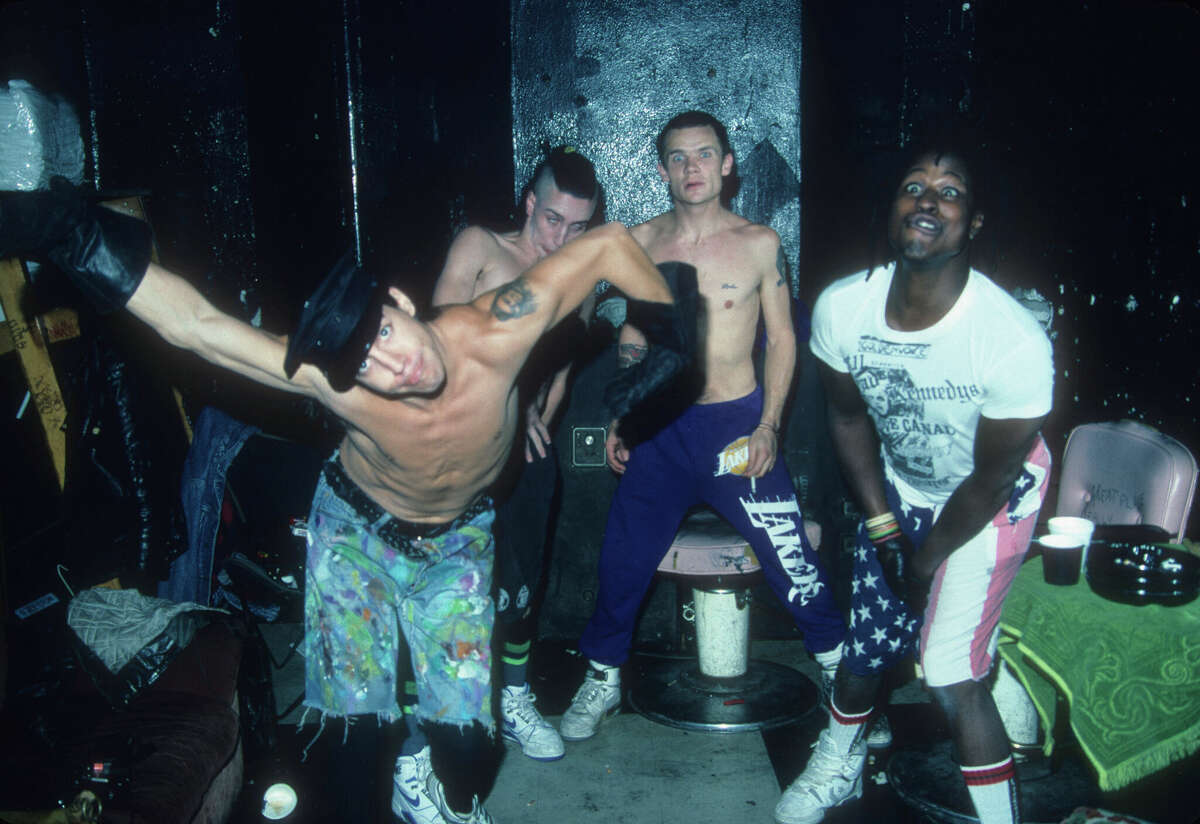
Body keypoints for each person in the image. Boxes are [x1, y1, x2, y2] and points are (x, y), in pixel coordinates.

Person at [0, 180, 688, 824]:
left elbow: (609, 245)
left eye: (386, 334)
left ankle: (429, 785)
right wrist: (77, 234)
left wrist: (669, 332)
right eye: (365, 366)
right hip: (359, 531)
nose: (397, 368)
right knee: (357, 728)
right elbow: (198, 326)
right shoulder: (333, 385)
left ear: (401, 303)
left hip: (458, 535)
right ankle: (390, 779)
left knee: (466, 732)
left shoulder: (502, 326)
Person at [774, 138, 1053, 824]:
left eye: (950, 191)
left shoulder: (1012, 339)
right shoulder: (844, 311)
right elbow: (846, 420)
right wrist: (882, 524)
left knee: (950, 669)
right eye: (914, 186)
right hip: (901, 489)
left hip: (995, 501)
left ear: (974, 222)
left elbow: (991, 479)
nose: (928, 200)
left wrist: (924, 560)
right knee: (867, 642)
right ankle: (837, 762)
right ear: (894, 206)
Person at [559, 111, 847, 742]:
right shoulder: (639, 242)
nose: (692, 168)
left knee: (791, 556)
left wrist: (770, 424)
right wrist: (624, 418)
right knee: (623, 557)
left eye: (704, 154)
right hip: (661, 428)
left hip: (736, 427)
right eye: (678, 158)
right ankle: (603, 678)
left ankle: (841, 678)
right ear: (662, 170)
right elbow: (635, 334)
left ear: (727, 163)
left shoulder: (759, 243)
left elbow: (783, 341)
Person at [428, 145, 602, 765]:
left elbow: (564, 371)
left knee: (520, 586)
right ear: (531, 203)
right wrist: (497, 409)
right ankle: (455, 705)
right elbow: (442, 338)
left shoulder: (578, 275)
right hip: (460, 443)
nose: (563, 236)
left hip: (523, 453)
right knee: (455, 584)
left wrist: (537, 420)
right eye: (553, 218)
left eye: (578, 226)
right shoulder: (480, 247)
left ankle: (517, 699)